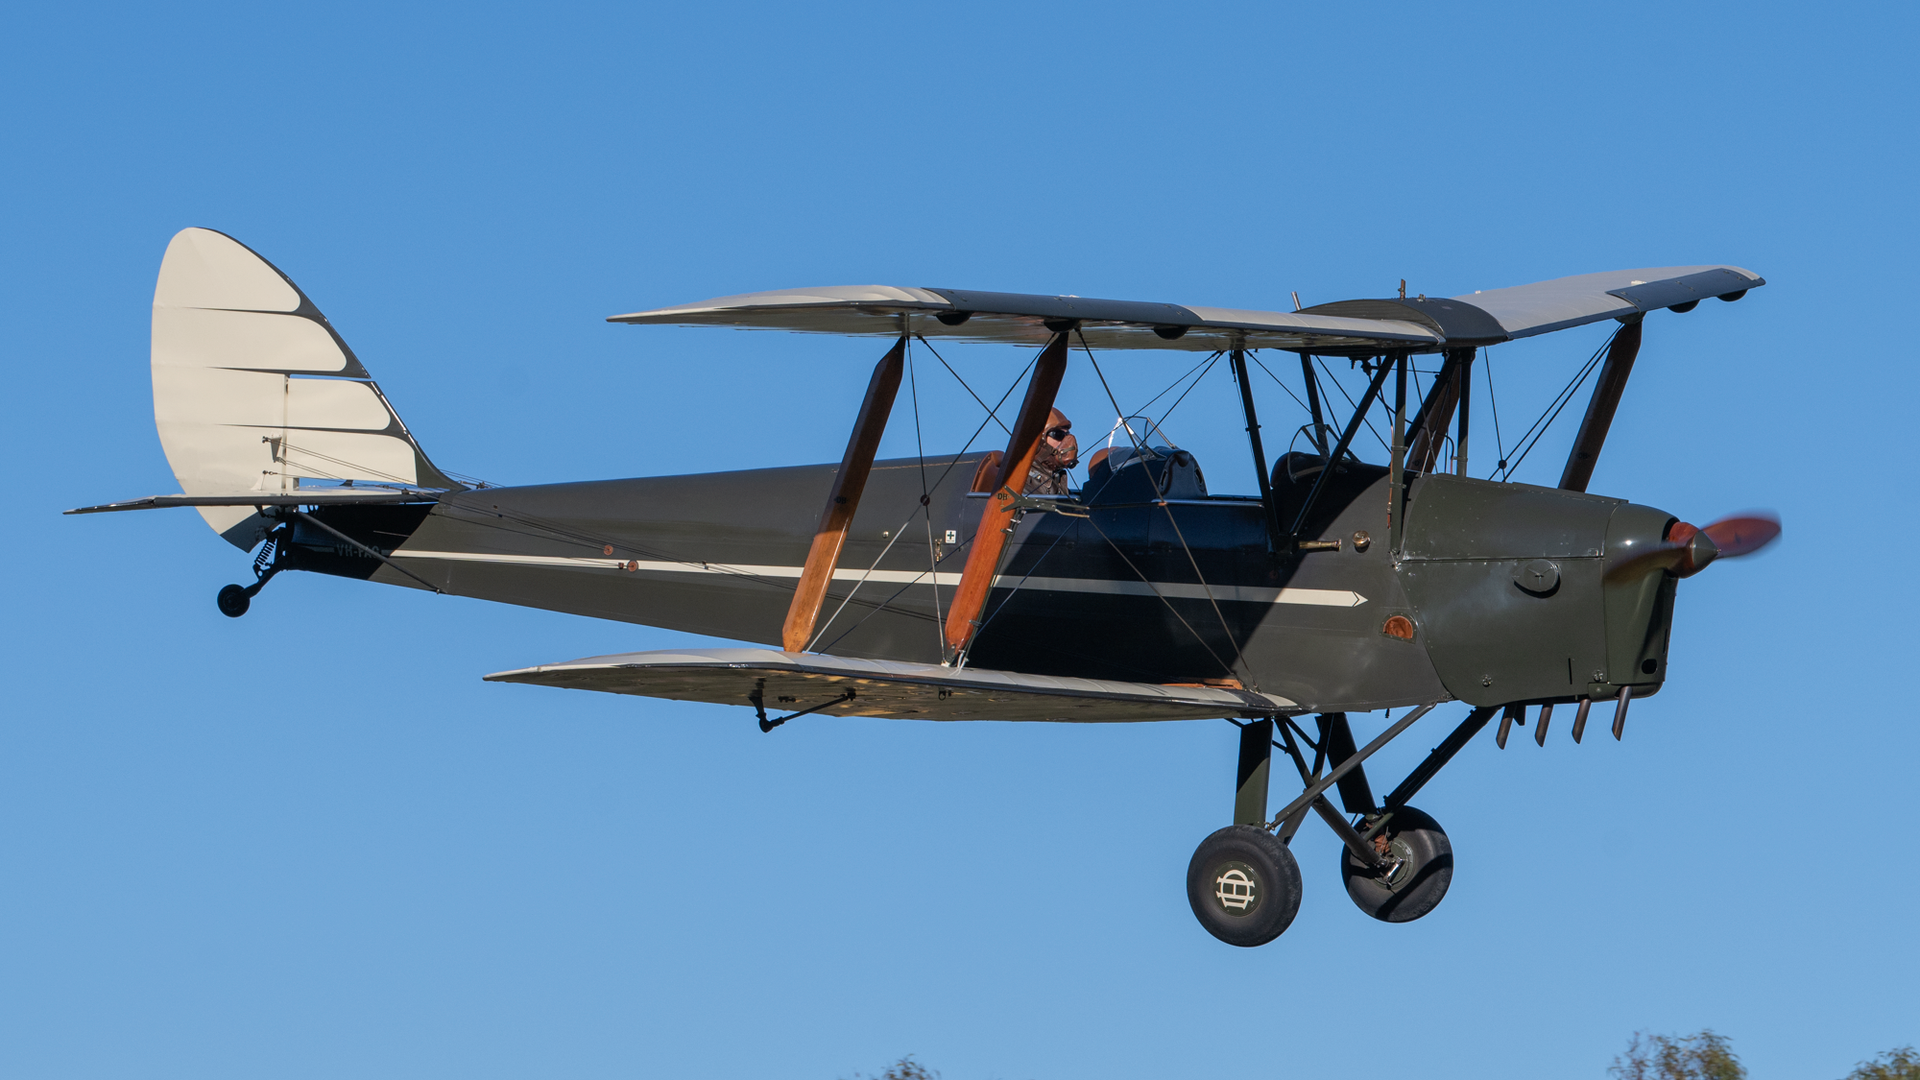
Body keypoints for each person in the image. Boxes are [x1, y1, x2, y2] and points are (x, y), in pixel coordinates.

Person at [1025, 407, 1079, 495]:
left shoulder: (1068, 495)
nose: (1066, 441)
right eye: (1058, 434)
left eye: (1067, 435)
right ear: (1038, 441)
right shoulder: (1015, 485)